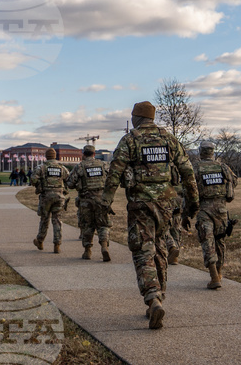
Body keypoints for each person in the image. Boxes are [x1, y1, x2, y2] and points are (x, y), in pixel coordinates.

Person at [103, 101, 199, 330]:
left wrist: (105, 201)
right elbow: (187, 170)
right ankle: (159, 297)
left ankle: (153, 297)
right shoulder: (169, 139)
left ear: (136, 117)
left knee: (143, 249)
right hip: (166, 204)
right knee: (160, 248)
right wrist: (192, 202)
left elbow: (115, 171)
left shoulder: (130, 139)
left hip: (140, 204)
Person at [194, 140, 238, 290]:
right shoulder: (222, 167)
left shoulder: (197, 167)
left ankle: (213, 276)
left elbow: (189, 188)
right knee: (220, 240)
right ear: (212, 152)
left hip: (204, 209)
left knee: (207, 240)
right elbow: (234, 181)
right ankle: (218, 274)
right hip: (221, 209)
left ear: (201, 151)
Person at [65, 145, 112, 261]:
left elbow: (70, 183)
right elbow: (112, 179)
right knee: (103, 225)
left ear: (83, 154)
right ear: (94, 154)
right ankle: (104, 246)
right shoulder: (103, 165)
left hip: (86, 200)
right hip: (102, 200)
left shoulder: (80, 166)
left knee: (87, 225)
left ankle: (87, 251)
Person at [30, 148, 69, 254]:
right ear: (55, 156)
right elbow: (68, 180)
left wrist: (39, 185)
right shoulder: (62, 168)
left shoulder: (41, 167)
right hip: (59, 197)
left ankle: (40, 241)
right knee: (57, 220)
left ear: (46, 156)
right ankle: (57, 245)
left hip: (45, 197)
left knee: (44, 219)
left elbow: (33, 179)